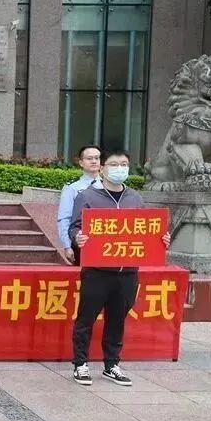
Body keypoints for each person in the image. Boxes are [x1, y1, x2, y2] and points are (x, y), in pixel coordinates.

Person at [69, 149, 171, 387]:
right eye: (114, 164)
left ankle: (111, 364)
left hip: (128, 272)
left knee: (117, 320)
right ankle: (80, 363)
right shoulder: (87, 196)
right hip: (97, 272)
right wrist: (77, 237)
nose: (119, 169)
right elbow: (74, 227)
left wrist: (162, 239)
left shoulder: (134, 197)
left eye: (124, 164)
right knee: (86, 319)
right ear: (102, 168)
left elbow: (147, 230)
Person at [57, 145, 102, 265]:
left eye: (97, 158)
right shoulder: (72, 187)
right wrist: (67, 246)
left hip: (105, 243)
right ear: (81, 163)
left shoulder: (109, 186)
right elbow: (64, 218)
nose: (94, 161)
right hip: (81, 242)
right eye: (89, 158)